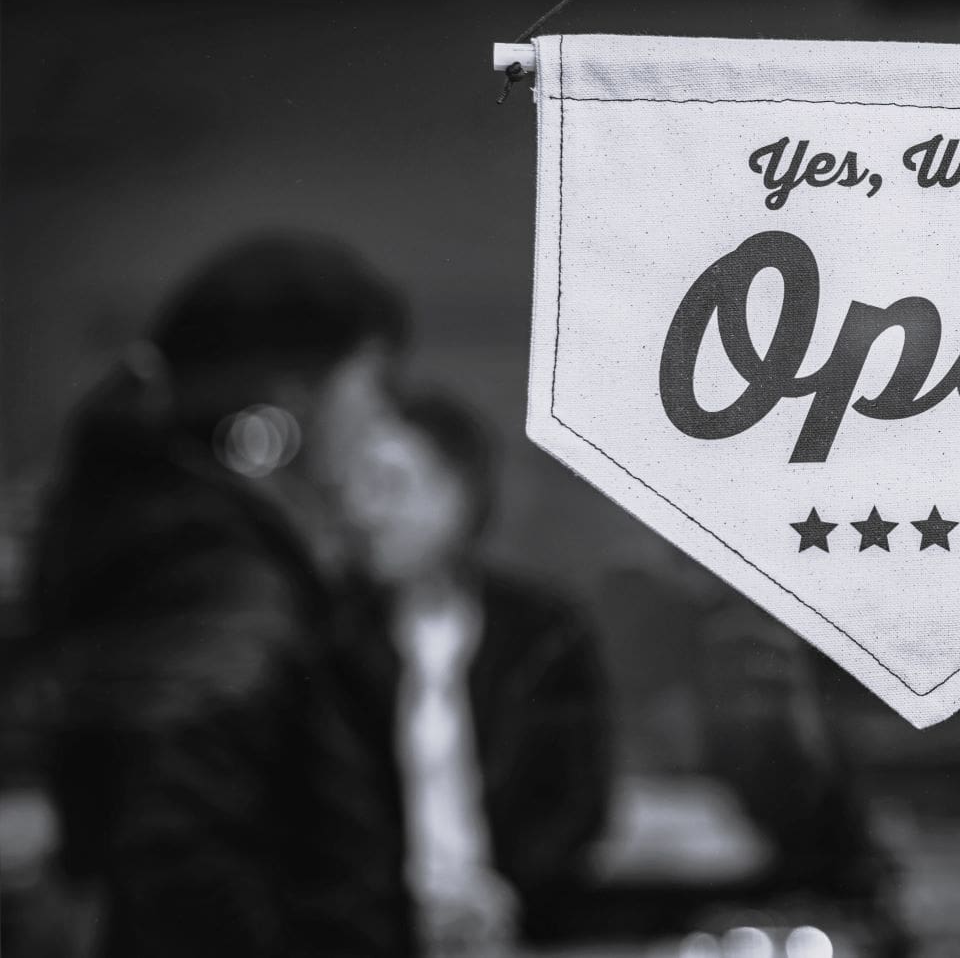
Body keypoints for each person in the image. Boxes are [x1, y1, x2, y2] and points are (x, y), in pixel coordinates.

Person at [26, 232, 417, 956]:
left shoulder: (175, 545)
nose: (381, 428)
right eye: (372, 388)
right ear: (296, 401)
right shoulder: (217, 587)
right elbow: (180, 859)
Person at [337, 389, 611, 955]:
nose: (365, 511)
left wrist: (506, 895)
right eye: (358, 488)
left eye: (391, 485)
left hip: (517, 931)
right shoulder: (334, 634)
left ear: (459, 494)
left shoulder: (543, 631)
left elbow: (577, 798)